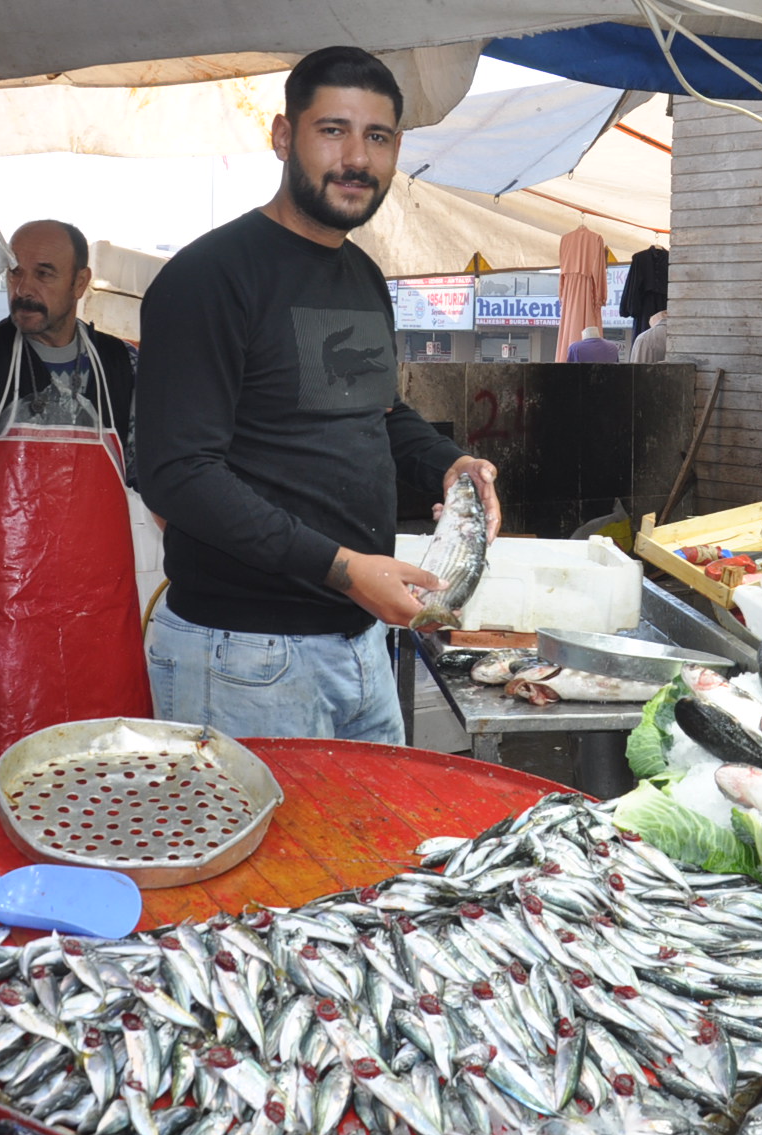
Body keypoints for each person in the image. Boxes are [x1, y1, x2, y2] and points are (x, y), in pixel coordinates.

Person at [135, 47, 500, 744]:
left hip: (360, 644)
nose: (356, 158)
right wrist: (343, 570)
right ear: (282, 136)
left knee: (378, 852)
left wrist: (451, 465)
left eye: (378, 137)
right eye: (333, 131)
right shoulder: (209, 278)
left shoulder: (360, 275)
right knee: (266, 858)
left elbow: (375, 413)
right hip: (244, 656)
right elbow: (177, 475)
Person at [0, 219, 149, 832]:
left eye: (44, 273)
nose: (24, 287)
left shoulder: (120, 367)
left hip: (102, 633)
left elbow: (158, 481)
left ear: (82, 283)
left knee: (107, 789)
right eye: (15, 271)